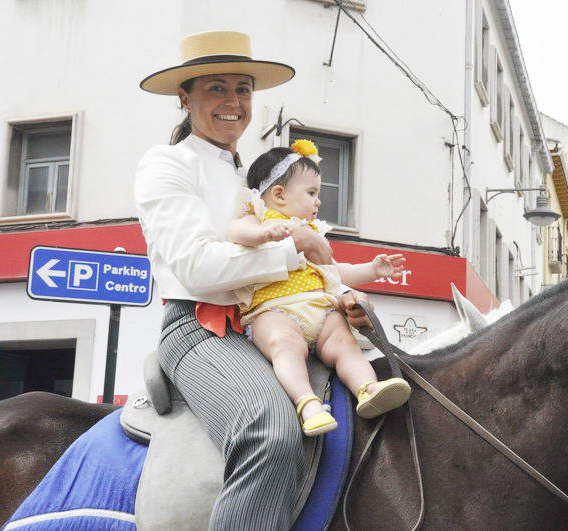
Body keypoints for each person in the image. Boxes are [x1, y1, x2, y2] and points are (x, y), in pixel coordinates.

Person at [134, 30, 375, 530]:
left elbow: (304, 260)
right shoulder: (166, 163)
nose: (233, 102)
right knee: (270, 429)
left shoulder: (257, 177)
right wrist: (295, 250)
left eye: (242, 89)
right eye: (216, 88)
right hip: (200, 328)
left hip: (275, 318)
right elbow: (197, 266)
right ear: (185, 97)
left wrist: (338, 296)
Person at [227, 140, 411, 435]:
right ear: (279, 195)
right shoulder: (260, 216)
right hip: (273, 309)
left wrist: (373, 269)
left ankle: (367, 388)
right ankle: (307, 403)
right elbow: (235, 231)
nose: (318, 201)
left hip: (320, 308)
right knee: (285, 345)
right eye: (311, 193)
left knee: (346, 346)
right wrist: (262, 233)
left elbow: (335, 271)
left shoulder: (314, 234)